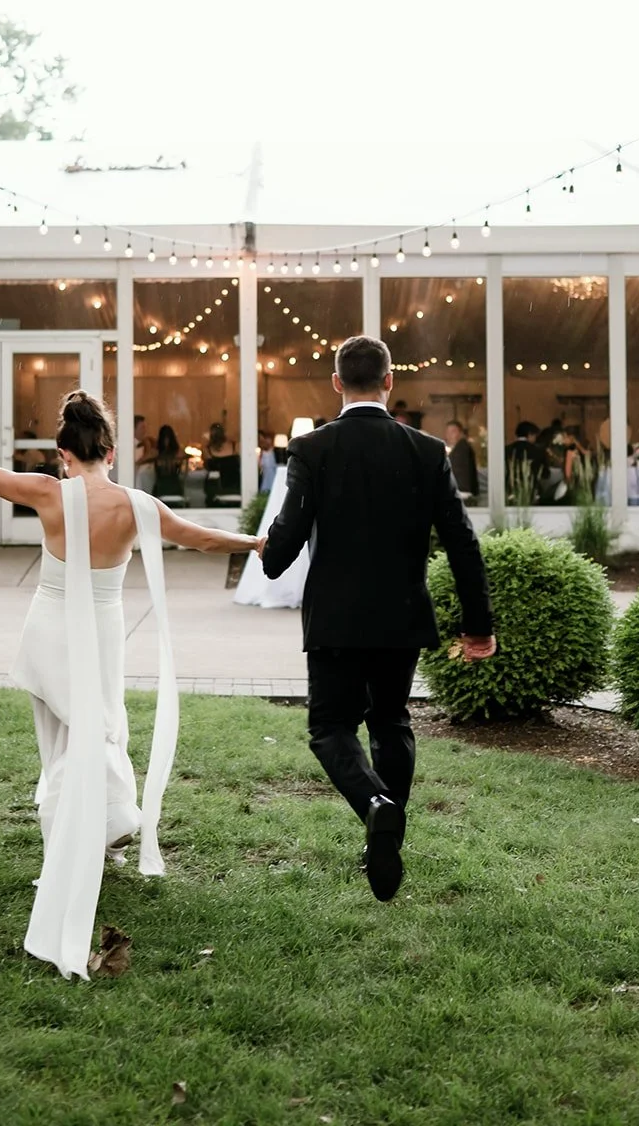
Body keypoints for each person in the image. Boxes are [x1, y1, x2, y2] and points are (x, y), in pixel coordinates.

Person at [0, 389, 263, 981]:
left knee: (63, 743)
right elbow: (202, 538)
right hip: (100, 633)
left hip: (48, 631)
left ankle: (78, 835)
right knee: (98, 733)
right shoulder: (137, 505)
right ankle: (92, 832)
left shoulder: (49, 492)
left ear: (63, 452)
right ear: (110, 449)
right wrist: (256, 543)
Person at [260, 336, 495, 903]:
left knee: (329, 728)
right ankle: (384, 832)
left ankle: (375, 807)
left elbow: (284, 545)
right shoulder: (427, 450)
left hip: (335, 621)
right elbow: (464, 545)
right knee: (391, 722)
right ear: (391, 382)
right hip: (401, 618)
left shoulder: (311, 449)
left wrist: (269, 553)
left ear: (336, 383)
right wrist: (479, 625)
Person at [443, 420, 478, 498]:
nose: (449, 435)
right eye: (447, 432)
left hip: (463, 493)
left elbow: (456, 471)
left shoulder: (462, 449)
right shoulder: (458, 448)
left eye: (453, 432)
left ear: (460, 433)